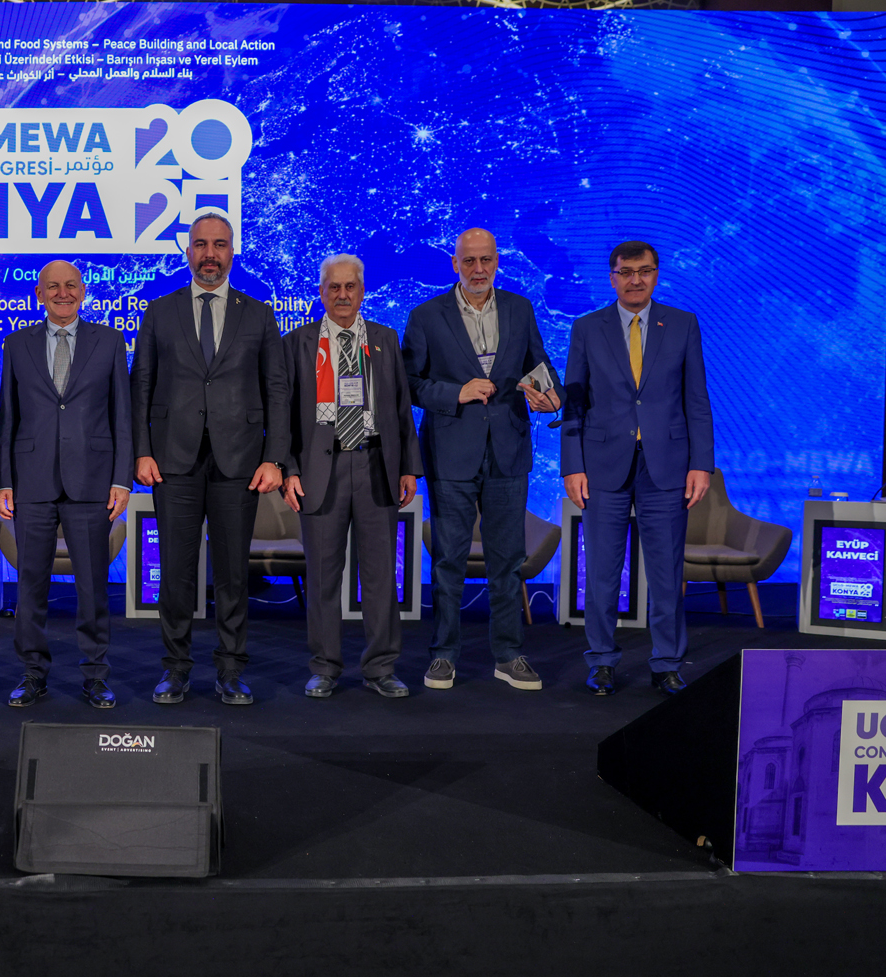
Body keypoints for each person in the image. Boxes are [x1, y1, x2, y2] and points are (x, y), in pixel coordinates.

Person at [131, 212, 288, 705]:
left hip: (239, 462)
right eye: (201, 245)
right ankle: (175, 669)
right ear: (188, 252)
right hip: (171, 462)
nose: (210, 254)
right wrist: (141, 450)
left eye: (219, 245)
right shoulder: (160, 312)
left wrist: (275, 457)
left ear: (232, 252)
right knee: (175, 573)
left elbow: (277, 390)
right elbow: (141, 387)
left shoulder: (258, 314)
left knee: (232, 574)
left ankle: (231, 669)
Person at [401, 228, 564, 692]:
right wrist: (457, 392)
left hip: (508, 451)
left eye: (486, 260)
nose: (478, 269)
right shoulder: (426, 316)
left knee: (507, 561)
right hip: (451, 453)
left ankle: (508, 656)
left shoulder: (520, 308)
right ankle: (443, 656)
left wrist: (551, 395)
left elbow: (540, 366)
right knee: (449, 560)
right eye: (469, 261)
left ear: (497, 262)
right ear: (455, 264)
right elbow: (409, 383)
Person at [561, 241, 713, 696]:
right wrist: (572, 466)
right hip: (602, 466)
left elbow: (697, 400)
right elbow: (574, 402)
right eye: (626, 272)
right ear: (612, 278)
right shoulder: (587, 327)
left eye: (644, 271)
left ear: (656, 275)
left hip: (666, 466)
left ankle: (667, 663)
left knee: (666, 574)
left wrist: (702, 464)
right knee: (602, 574)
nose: (635, 280)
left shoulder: (683, 324)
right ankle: (602, 661)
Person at [282, 254, 422, 699]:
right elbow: (282, 415)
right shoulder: (297, 343)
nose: (342, 295)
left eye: (350, 287)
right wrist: (288, 470)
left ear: (362, 291)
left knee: (380, 575)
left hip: (375, 465)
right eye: (334, 287)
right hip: (319, 470)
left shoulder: (384, 339)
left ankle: (381, 667)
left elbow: (401, 409)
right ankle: (324, 667)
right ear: (321, 292)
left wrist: (408, 467)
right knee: (323, 576)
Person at [0, 260, 133, 709]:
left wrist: (122, 479)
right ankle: (32, 673)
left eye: (71, 286)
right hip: (31, 481)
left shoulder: (110, 341)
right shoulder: (16, 343)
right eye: (53, 287)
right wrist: (4, 480)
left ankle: (96, 675)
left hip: (92, 480)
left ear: (83, 291)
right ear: (39, 294)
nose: (62, 293)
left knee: (93, 586)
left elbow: (123, 415)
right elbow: (8, 417)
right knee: (30, 585)